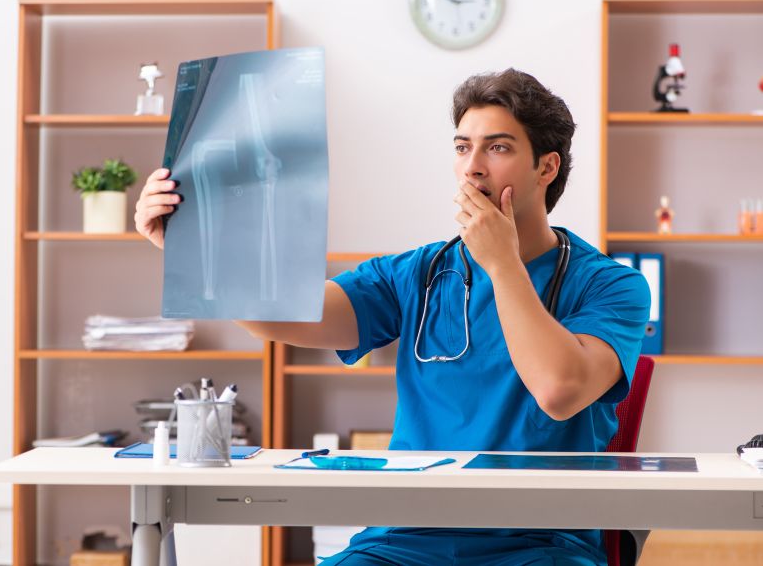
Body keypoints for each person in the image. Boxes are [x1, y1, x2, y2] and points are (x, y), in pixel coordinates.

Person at [135, 68, 651, 566]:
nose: (473, 167)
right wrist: (192, 252)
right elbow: (285, 316)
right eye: (462, 147)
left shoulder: (611, 285)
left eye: (498, 147)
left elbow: (559, 392)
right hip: (405, 536)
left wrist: (502, 263)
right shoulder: (420, 271)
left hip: (541, 542)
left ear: (547, 167)